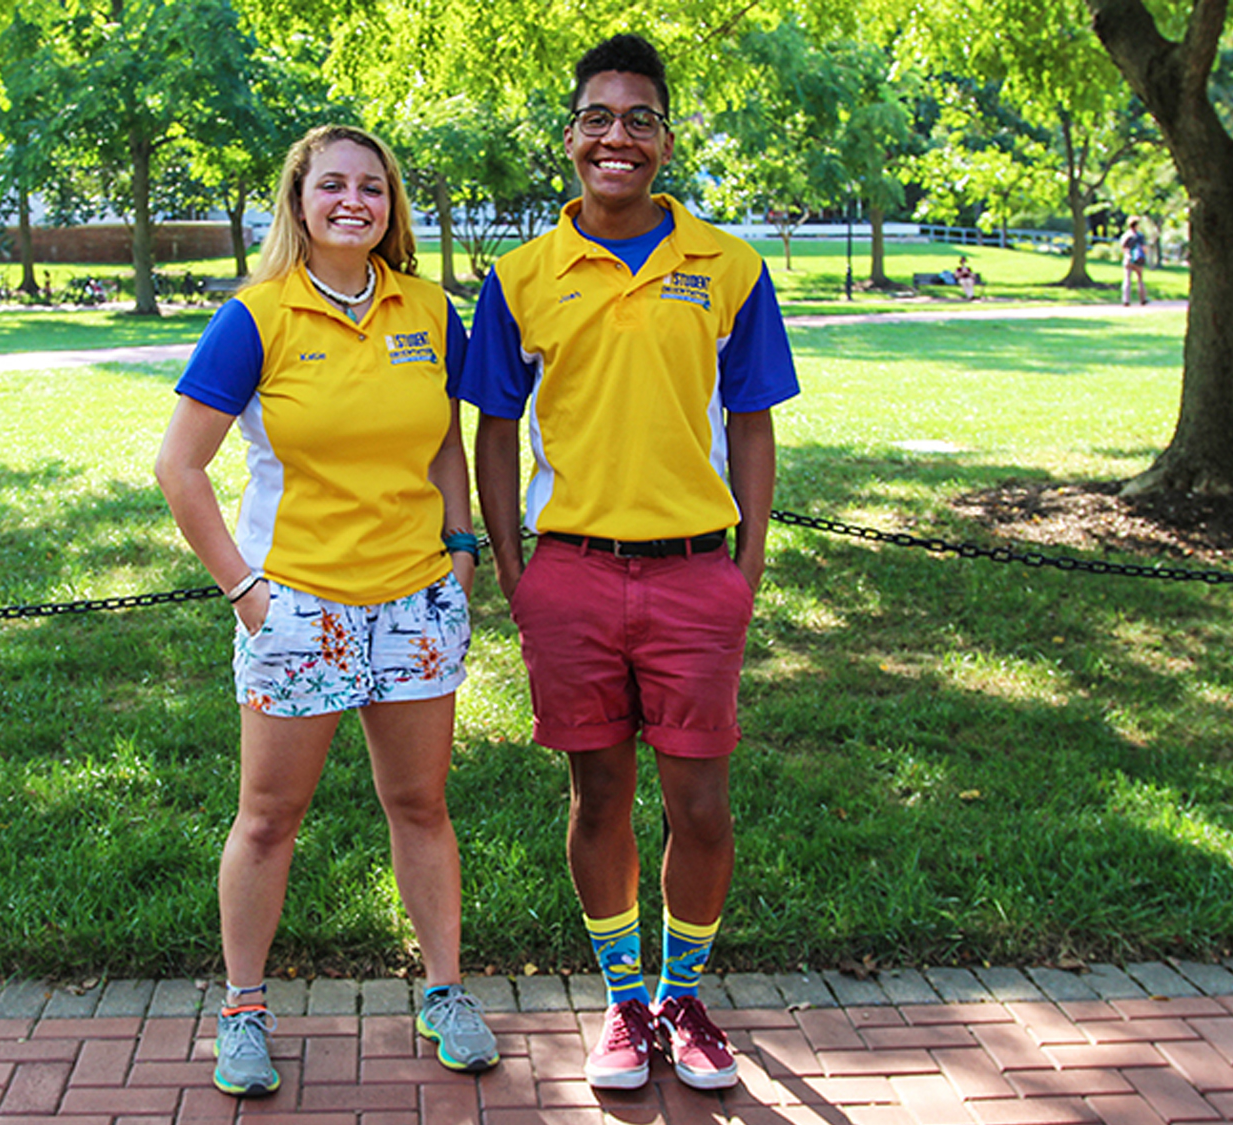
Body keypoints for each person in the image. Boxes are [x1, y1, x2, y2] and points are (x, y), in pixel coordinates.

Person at [460, 34, 800, 1092]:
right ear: (569, 138)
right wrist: (519, 574)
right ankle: (621, 1004)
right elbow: (494, 428)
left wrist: (744, 564)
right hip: (570, 574)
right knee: (598, 800)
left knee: (700, 805)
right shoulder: (519, 278)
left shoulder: (729, 265)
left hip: (696, 576)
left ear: (664, 139)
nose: (618, 135)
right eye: (597, 117)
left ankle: (682, 997)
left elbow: (752, 422)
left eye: (639, 118)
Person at [155, 123, 499, 1098]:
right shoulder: (255, 317)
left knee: (421, 805)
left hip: (414, 603)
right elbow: (180, 468)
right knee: (267, 819)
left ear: (392, 208)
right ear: (298, 202)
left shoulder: (429, 309)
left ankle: (444, 993)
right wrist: (246, 593)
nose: (355, 202)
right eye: (333, 186)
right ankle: (245, 1011)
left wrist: (462, 548)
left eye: (374, 189)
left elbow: (444, 438)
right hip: (298, 610)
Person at [1121, 218, 1148, 306]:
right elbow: (1144, 248)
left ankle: (1126, 299)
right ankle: (1143, 298)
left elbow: (1123, 247)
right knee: (1140, 279)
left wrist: (1128, 254)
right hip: (1138, 260)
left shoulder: (1126, 235)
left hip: (1128, 258)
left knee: (1127, 279)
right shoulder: (1140, 236)